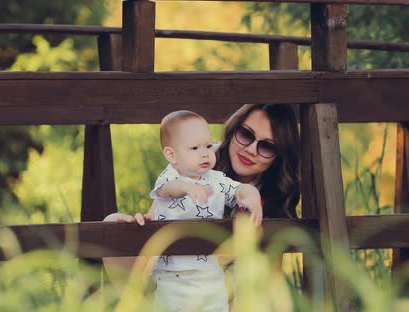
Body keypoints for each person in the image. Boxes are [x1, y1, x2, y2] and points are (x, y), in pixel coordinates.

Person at [103, 104, 301, 307]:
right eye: (245, 134)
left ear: (278, 157)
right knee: (112, 226)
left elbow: (267, 282)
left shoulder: (274, 196)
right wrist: (139, 223)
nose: (250, 149)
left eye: (267, 146)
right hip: (173, 275)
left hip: (226, 289)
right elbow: (157, 218)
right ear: (233, 130)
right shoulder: (197, 158)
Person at [142, 110, 264, 311]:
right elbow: (165, 191)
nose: (205, 153)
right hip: (173, 275)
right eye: (195, 148)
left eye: (208, 145)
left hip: (210, 273)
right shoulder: (170, 177)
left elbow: (237, 189)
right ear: (171, 155)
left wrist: (250, 194)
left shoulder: (215, 179)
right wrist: (185, 187)